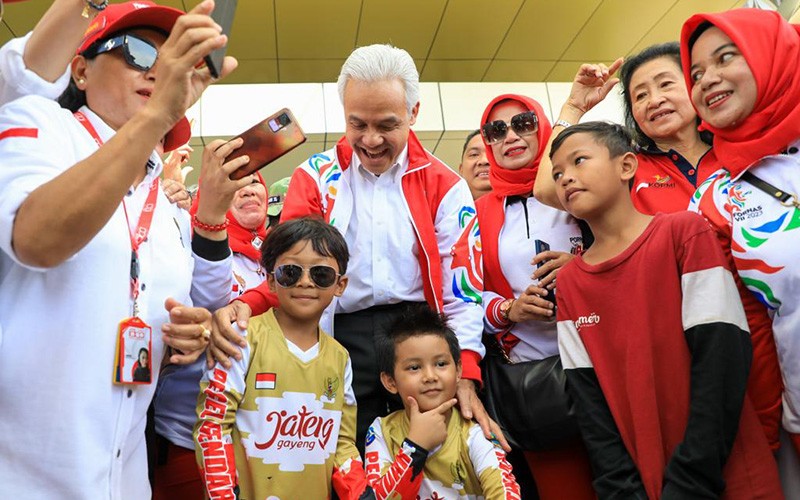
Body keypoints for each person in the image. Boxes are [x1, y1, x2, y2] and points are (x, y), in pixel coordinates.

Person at [209, 43, 505, 455]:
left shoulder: (447, 186)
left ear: (414, 113)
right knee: (344, 460)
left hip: (420, 338)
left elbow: (464, 291)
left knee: (431, 463)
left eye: (387, 124)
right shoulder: (314, 176)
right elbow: (294, 271)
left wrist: (466, 372)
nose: (371, 140)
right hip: (339, 337)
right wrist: (250, 303)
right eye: (357, 124)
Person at [0, 1, 235, 497]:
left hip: (123, 476)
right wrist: (155, 116)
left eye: (169, 56)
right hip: (22, 475)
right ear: (80, 70)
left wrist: (180, 340)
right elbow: (38, 240)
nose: (156, 68)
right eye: (136, 51)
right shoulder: (39, 124)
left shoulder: (168, 209)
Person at [533, 45, 782, 451]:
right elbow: (547, 186)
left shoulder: (743, 153)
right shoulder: (630, 168)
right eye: (640, 95)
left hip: (772, 328)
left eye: (666, 84)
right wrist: (574, 107)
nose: (655, 100)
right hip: (689, 346)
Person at [550, 121, 781, 499]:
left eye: (579, 161)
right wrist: (622, 489)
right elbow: (589, 404)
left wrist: (692, 476)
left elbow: (722, 358)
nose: (566, 179)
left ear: (626, 166)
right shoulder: (572, 283)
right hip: (645, 482)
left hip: (723, 473)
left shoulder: (683, 234)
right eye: (557, 173)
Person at [681, 8, 800, 457]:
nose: (708, 79)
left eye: (726, 57)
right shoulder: (715, 198)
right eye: (695, 73)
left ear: (772, 55)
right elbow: (747, 330)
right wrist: (766, 437)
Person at [194, 217, 371, 499]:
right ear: (271, 281)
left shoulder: (341, 358)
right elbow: (212, 428)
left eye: (321, 274)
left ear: (340, 284)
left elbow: (343, 443)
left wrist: (361, 492)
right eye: (290, 272)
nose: (305, 282)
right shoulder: (241, 339)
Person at [476, 94, 593, 500]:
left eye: (523, 123)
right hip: (535, 382)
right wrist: (509, 309)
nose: (510, 135)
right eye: (496, 130)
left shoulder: (579, 186)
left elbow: (625, 245)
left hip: (602, 360)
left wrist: (580, 269)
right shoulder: (475, 213)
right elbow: (463, 297)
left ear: (541, 126)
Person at [152, 139, 269, 499]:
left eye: (255, 182)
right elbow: (210, 301)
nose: (249, 188)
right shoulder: (188, 240)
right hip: (191, 437)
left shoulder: (281, 257)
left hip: (266, 440)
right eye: (238, 182)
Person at [366, 305, 520, 499]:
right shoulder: (381, 431)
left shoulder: (476, 434)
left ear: (458, 371)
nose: (430, 376)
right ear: (390, 381)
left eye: (441, 364)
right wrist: (415, 447)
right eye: (414, 367)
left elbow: (506, 493)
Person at [458, 129, 491, 200]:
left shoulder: (519, 209)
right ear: (461, 169)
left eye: (492, 153)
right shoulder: (445, 209)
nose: (484, 161)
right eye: (474, 154)